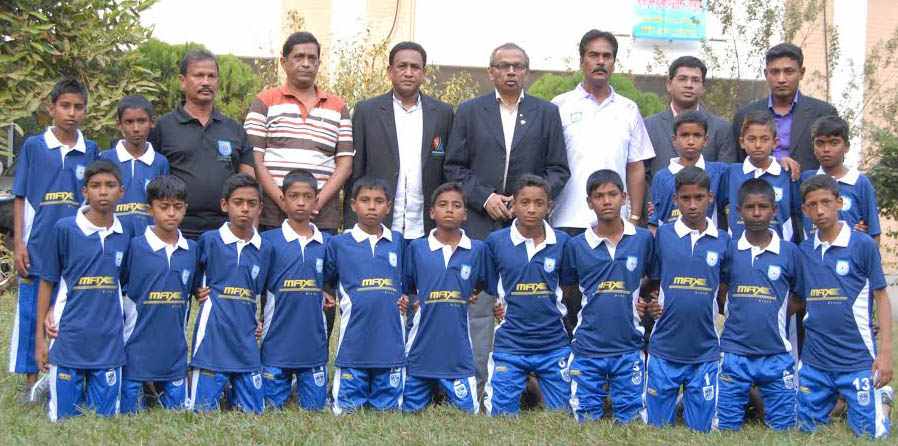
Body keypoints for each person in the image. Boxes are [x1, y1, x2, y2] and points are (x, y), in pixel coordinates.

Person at [444, 42, 569, 397]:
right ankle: (480, 385)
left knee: (531, 300)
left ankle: (531, 385)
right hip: (481, 224)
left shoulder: (546, 113)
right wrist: (484, 198)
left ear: (527, 72)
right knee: (480, 306)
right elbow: (454, 166)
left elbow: (558, 169)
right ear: (491, 72)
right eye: (504, 65)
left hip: (528, 224)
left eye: (518, 66)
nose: (511, 72)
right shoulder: (469, 111)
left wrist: (528, 199)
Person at [11, 77, 98, 401]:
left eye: (78, 107)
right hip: (37, 246)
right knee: (32, 311)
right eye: (65, 106)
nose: (71, 113)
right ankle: (32, 380)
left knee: (69, 310)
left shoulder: (90, 150)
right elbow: (20, 196)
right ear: (51, 108)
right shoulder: (34, 146)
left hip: (74, 249)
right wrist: (19, 243)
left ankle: (70, 373)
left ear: (85, 111)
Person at [795, 175, 892, 439]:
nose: (820, 210)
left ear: (839, 202)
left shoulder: (862, 245)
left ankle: (882, 401)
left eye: (826, 202)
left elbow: (881, 296)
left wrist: (885, 353)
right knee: (805, 429)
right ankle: (833, 398)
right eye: (812, 205)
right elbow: (798, 299)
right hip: (815, 360)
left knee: (869, 434)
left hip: (857, 359)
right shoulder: (804, 251)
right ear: (804, 210)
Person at [34, 160, 129, 421]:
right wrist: (41, 340)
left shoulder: (126, 233)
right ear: (84, 192)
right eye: (96, 186)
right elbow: (47, 281)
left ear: (121, 191)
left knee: (105, 421)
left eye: (110, 186)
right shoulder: (65, 229)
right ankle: (47, 387)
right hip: (68, 338)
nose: (103, 192)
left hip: (109, 343)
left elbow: (128, 282)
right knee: (63, 420)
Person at [560, 169, 655, 423]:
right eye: (599, 196)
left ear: (624, 197)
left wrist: (641, 298)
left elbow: (653, 278)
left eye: (612, 194)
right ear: (589, 202)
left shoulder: (643, 239)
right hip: (588, 345)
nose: (607, 201)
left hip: (629, 344)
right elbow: (568, 290)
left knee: (632, 419)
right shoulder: (576, 245)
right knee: (585, 419)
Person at [643, 167, 730, 433]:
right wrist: (650, 302)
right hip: (664, 348)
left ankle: (688, 399)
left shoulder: (724, 241)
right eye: (686, 198)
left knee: (701, 431)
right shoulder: (662, 236)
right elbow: (651, 282)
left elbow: (725, 290)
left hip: (705, 350)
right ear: (675, 200)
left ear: (710, 198)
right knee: (656, 429)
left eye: (699, 198)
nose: (692, 205)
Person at [245, 32, 353, 234]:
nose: (306, 63)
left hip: (320, 218)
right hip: (274, 216)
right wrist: (284, 202)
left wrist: (314, 203)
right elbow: (253, 160)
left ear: (319, 63)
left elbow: (345, 165)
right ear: (284, 62)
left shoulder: (338, 106)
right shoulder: (265, 101)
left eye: (312, 58)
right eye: (299, 57)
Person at [347, 41, 454, 240]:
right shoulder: (366, 112)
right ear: (390, 71)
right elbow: (356, 171)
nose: (408, 72)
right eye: (402, 66)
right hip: (377, 225)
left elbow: (443, 164)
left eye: (415, 67)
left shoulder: (442, 113)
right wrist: (351, 225)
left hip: (426, 227)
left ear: (424, 72)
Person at [483, 175, 571, 416]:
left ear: (549, 206)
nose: (531, 209)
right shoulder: (496, 242)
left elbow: (569, 287)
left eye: (539, 203)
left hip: (553, 344)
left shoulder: (563, 242)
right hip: (511, 344)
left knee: (564, 414)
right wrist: (497, 306)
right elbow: (492, 286)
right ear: (513, 204)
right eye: (524, 202)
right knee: (501, 416)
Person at [716, 179, 800, 431]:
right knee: (726, 427)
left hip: (776, 352)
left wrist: (776, 313)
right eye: (749, 207)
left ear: (774, 210)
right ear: (738, 212)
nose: (756, 213)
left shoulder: (789, 251)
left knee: (784, 428)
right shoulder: (730, 250)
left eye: (763, 206)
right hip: (733, 352)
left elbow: (799, 296)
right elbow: (721, 293)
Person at [551, 29, 654, 232]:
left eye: (607, 56)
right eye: (593, 55)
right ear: (581, 62)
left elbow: (635, 166)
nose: (601, 61)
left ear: (613, 64)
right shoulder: (560, 105)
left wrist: (633, 218)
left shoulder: (629, 109)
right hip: (566, 220)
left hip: (615, 224)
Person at [149, 50, 255, 239]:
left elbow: (249, 183)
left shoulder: (235, 130)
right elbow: (150, 179)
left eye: (211, 76)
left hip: (226, 233)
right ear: (182, 81)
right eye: (198, 75)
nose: (206, 82)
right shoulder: (162, 128)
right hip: (177, 231)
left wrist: (251, 232)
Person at [189, 174, 272, 414]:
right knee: (202, 412)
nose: (245, 208)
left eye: (251, 203)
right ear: (225, 205)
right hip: (211, 342)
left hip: (245, 340)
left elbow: (260, 289)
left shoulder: (265, 248)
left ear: (260, 207)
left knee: (254, 411)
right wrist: (197, 290)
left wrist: (257, 319)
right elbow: (192, 274)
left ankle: (232, 387)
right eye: (238, 202)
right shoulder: (209, 241)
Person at [401, 182, 486, 413]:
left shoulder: (477, 249)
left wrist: (469, 291)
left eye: (456, 205)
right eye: (443, 205)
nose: (449, 209)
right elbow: (408, 286)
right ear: (431, 212)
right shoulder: (417, 249)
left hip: (458, 357)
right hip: (420, 354)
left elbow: (483, 281)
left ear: (465, 214)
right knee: (407, 412)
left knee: (468, 415)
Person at [325, 176, 407, 415]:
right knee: (345, 411)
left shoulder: (398, 242)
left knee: (388, 412)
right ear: (352, 205)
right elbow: (326, 279)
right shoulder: (339, 244)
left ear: (388, 207)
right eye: (365, 200)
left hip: (390, 345)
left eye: (379, 201)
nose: (372, 206)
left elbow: (409, 281)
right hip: (353, 345)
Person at [118, 175, 200, 413]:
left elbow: (197, 288)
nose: (171, 213)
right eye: (164, 207)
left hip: (174, 354)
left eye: (177, 207)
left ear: (185, 208)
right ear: (150, 209)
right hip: (135, 351)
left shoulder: (192, 250)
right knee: (130, 413)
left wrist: (201, 291)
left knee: (177, 412)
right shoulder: (134, 246)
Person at [259, 169, 332, 411]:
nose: (301, 202)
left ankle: (302, 382)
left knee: (314, 408)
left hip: (312, 348)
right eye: (294, 196)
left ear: (316, 200)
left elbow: (334, 278)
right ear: (282, 199)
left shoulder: (327, 243)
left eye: (307, 196)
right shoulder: (267, 241)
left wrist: (324, 291)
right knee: (270, 407)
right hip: (275, 348)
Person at [732, 43, 837, 170]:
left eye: (788, 71)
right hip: (759, 187)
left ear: (801, 73)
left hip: (807, 186)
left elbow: (834, 162)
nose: (781, 79)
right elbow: (739, 162)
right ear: (766, 74)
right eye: (775, 72)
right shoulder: (745, 115)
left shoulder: (822, 113)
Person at [645, 56, 737, 178]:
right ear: (669, 84)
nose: (689, 85)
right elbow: (641, 175)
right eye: (682, 79)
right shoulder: (648, 126)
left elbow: (726, 177)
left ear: (703, 87)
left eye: (695, 80)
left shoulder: (722, 129)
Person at [720, 111, 800, 242]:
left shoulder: (787, 174)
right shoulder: (731, 173)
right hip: (739, 251)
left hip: (779, 251)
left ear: (775, 143)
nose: (758, 145)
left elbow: (798, 213)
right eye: (752, 139)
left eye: (764, 139)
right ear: (742, 142)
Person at [798, 115, 880, 243]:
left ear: (846, 146)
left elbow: (874, 232)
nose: (826, 149)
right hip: (814, 258)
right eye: (820, 143)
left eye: (834, 143)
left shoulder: (860, 182)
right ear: (813, 146)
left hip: (851, 259)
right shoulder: (805, 179)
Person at [99, 95, 170, 237]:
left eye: (142, 121)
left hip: (148, 240)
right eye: (129, 122)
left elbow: (164, 203)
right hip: (111, 237)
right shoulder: (105, 158)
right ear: (119, 124)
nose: (136, 128)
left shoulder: (160, 162)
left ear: (152, 122)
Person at [647, 111, 727, 231]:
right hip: (672, 245)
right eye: (684, 135)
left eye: (697, 135)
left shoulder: (720, 172)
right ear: (674, 140)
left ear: (705, 140)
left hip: (708, 244)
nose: (690, 141)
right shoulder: (661, 177)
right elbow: (655, 220)